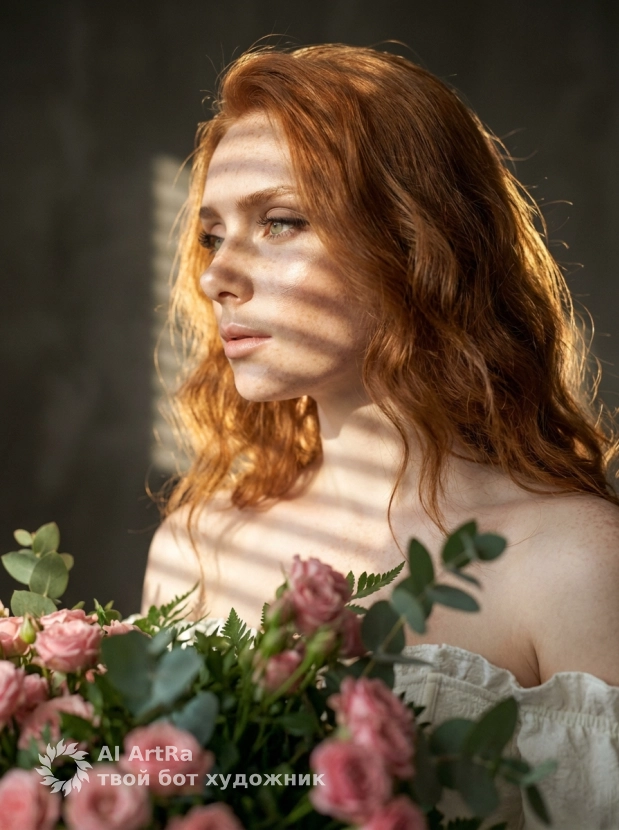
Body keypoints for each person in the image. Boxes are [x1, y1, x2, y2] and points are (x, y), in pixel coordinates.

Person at [142, 45, 619, 827]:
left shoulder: (573, 562)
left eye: (280, 221)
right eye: (212, 235)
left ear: (413, 236)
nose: (213, 275)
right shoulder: (196, 549)